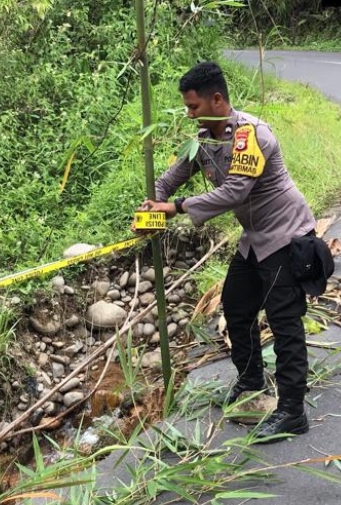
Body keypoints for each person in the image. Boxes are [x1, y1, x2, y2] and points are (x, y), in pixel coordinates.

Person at [137, 60, 320, 440]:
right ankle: (251, 380)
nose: (189, 115)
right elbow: (171, 177)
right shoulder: (204, 138)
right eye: (187, 108)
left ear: (217, 99)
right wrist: (152, 204)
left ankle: (291, 411)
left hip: (285, 238)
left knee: (285, 325)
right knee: (236, 308)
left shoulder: (251, 136)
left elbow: (235, 191)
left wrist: (176, 208)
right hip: (254, 240)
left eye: (194, 107)